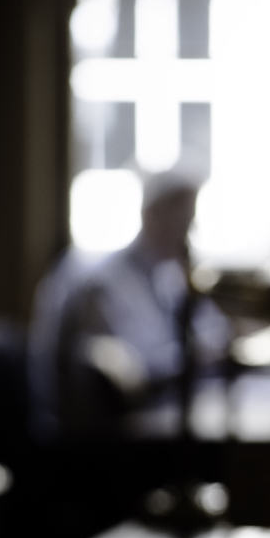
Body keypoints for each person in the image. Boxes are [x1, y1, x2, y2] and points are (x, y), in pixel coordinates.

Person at [28, 168, 231, 444]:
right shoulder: (104, 284)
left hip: (154, 417)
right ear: (153, 215)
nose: (189, 232)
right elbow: (130, 371)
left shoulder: (169, 276)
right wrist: (198, 354)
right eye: (183, 220)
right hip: (106, 437)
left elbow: (212, 330)